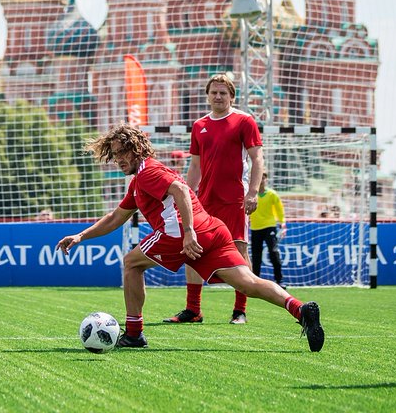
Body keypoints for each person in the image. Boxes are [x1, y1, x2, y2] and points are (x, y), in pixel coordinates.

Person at [56, 123, 324, 352]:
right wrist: (81, 235)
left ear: (137, 149)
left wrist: (187, 233)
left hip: (181, 233)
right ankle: (300, 310)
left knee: (131, 263)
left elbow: (181, 190)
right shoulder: (139, 181)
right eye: (114, 155)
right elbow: (116, 217)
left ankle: (135, 334)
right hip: (211, 229)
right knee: (248, 283)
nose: (118, 159)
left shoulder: (148, 172)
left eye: (122, 152)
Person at [167, 72, 262, 325]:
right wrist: (187, 194)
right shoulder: (199, 126)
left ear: (232, 96)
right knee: (192, 248)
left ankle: (240, 310)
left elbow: (257, 159)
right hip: (204, 202)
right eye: (214, 92)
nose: (218, 96)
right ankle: (193, 310)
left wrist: (252, 192)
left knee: (239, 249)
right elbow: (195, 166)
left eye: (223, 93)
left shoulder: (244, 121)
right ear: (208, 96)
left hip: (235, 199)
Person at [249, 171, 286, 288]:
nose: (261, 181)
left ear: (266, 180)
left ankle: (279, 280)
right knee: (256, 255)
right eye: (259, 178)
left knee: (273, 251)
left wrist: (282, 223)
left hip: (269, 226)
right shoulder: (250, 195)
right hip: (255, 227)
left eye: (263, 179)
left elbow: (280, 209)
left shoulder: (272, 194)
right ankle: (255, 281)